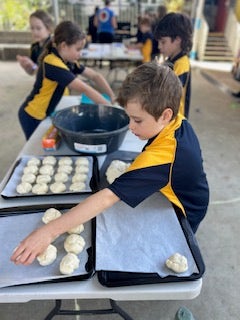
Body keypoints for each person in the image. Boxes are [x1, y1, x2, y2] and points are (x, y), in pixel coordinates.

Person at [11, 62, 209, 266]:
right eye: (129, 117)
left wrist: (48, 231)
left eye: (137, 120)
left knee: (176, 242)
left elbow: (107, 198)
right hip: (185, 188)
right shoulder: (177, 120)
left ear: (165, 115)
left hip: (186, 207)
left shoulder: (163, 157)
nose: (130, 126)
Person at [18, 20, 116, 140]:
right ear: (64, 46)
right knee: (37, 148)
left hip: (44, 113)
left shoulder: (69, 61)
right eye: (78, 49)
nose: (80, 54)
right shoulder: (52, 63)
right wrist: (111, 109)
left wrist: (112, 96)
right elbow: (85, 88)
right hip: (32, 115)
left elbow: (95, 76)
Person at [154, 12, 193, 118]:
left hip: (176, 124)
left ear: (177, 40)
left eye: (163, 42)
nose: (159, 46)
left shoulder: (181, 65)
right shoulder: (171, 61)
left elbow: (167, 95)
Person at [16, 10, 53, 76]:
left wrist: (33, 66)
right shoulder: (35, 47)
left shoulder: (53, 46)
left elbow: (48, 73)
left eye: (38, 28)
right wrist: (26, 66)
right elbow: (33, 72)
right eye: (32, 28)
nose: (35, 32)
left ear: (48, 29)